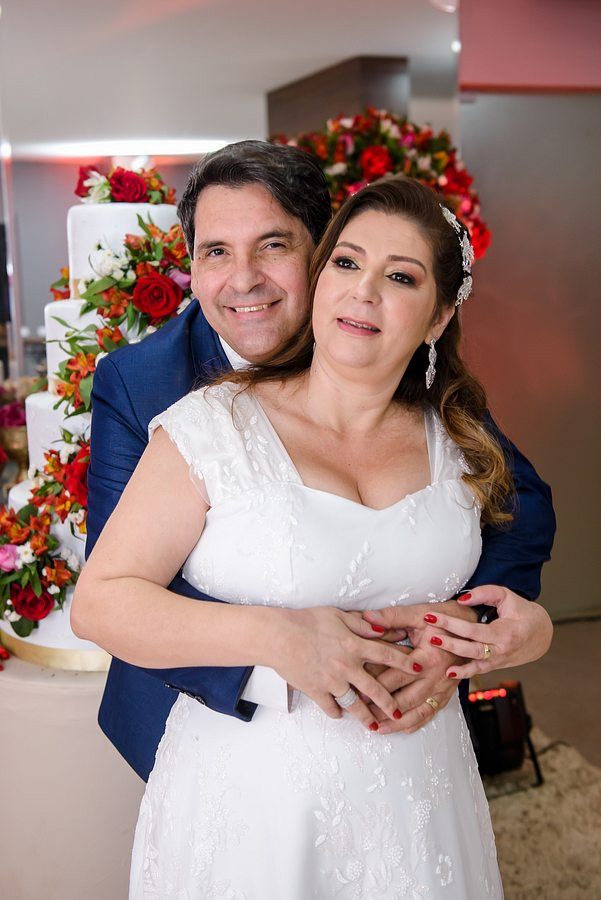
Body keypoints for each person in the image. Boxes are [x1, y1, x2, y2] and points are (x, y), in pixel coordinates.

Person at [74, 174, 552, 897]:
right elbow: (103, 601)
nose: (364, 291)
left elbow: (518, 534)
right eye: (348, 263)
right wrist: (281, 639)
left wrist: (514, 631)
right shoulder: (210, 423)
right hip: (252, 790)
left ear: (437, 317)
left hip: (420, 790)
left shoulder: (458, 436)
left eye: (400, 276)